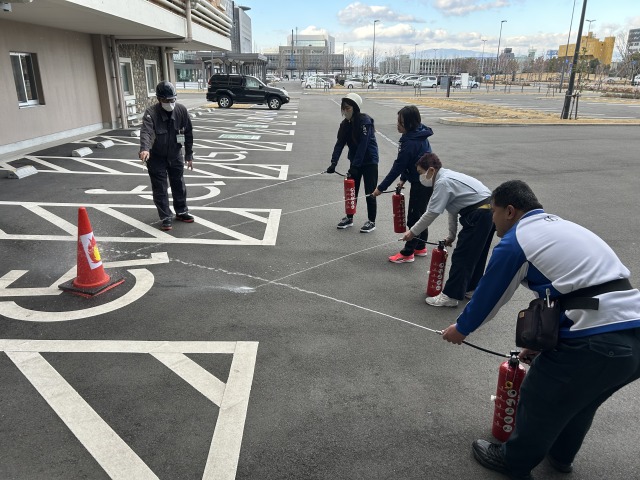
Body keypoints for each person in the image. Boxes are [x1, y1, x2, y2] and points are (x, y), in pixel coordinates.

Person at [442, 180, 640, 480]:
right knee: (582, 399)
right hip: (632, 335)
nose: (492, 219)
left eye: (494, 212)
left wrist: (462, 328)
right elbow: (570, 292)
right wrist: (538, 345)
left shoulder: (515, 241)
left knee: (538, 394)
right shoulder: (559, 227)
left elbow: (490, 295)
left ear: (510, 211)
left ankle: (513, 461)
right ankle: (560, 457)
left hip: (596, 341)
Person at [402, 152, 494, 307]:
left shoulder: (443, 182)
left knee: (462, 256)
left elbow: (432, 212)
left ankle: (451, 296)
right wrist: (451, 235)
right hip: (488, 211)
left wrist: (412, 232)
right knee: (476, 254)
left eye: (420, 173)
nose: (420, 177)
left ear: (431, 170)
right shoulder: (446, 177)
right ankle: (471, 288)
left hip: (480, 212)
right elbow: (453, 209)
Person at [372, 105, 434, 263]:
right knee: (420, 214)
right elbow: (412, 162)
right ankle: (420, 247)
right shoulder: (416, 136)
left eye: (401, 122)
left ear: (410, 123)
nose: (397, 124)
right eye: (397, 120)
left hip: (423, 183)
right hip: (422, 180)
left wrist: (380, 188)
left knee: (414, 217)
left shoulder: (411, 143)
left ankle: (408, 253)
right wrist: (403, 179)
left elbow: (398, 166)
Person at [139, 81, 194, 231]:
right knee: (160, 188)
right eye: (167, 101)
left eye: (173, 100)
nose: (170, 103)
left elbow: (188, 133)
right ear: (159, 99)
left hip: (175, 154)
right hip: (157, 157)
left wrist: (189, 154)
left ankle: (182, 211)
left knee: (178, 183)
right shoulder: (151, 113)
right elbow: (146, 132)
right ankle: (165, 216)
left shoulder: (181, 111)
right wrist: (145, 149)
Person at [326, 92, 379, 233]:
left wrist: (355, 166)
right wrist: (333, 163)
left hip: (369, 161)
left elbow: (363, 145)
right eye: (343, 108)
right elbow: (339, 144)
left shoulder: (365, 122)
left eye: (348, 108)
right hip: (355, 161)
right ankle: (349, 217)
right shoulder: (344, 125)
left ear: (355, 108)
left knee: (370, 192)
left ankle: (371, 221)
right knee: (351, 190)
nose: (345, 111)